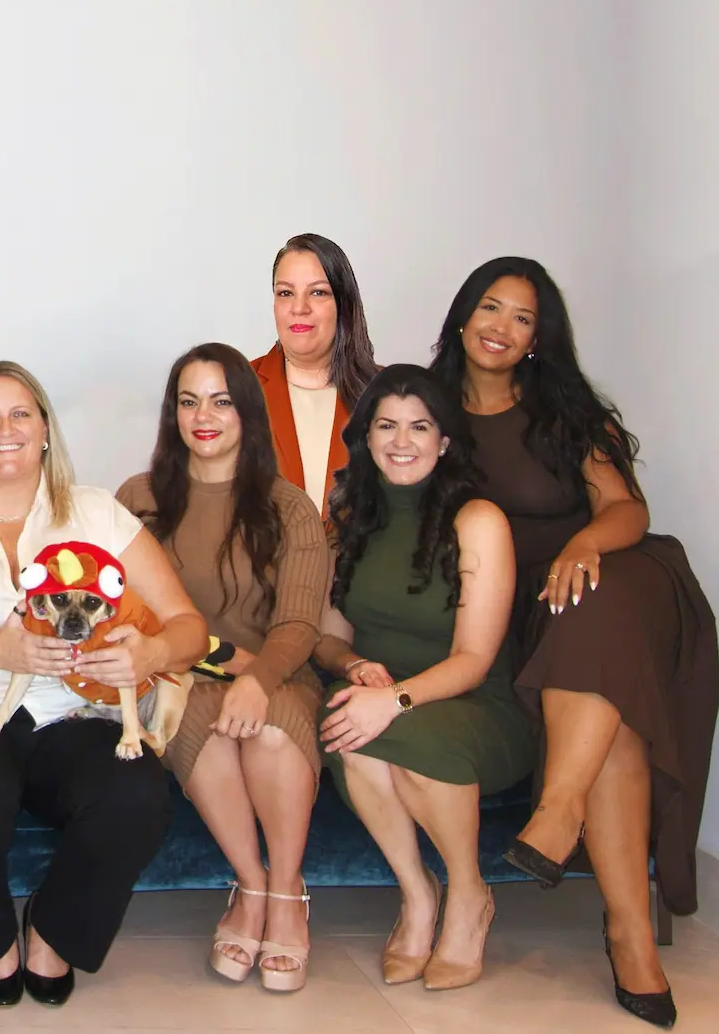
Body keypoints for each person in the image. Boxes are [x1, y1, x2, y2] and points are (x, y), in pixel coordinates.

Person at [430, 257, 718, 1027]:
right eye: (490, 308)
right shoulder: (428, 416)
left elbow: (627, 509)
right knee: (611, 713)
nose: (501, 326)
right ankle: (629, 935)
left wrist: (583, 545)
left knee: (593, 606)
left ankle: (557, 815)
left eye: (522, 317)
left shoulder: (564, 411)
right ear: (462, 316)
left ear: (537, 338)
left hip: (615, 577)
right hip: (520, 612)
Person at [0, 361, 207, 1008]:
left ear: (45, 429)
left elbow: (189, 625)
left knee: (137, 792)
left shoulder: (97, 511)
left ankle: (55, 930)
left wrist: (153, 650)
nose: (5, 428)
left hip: (75, 712)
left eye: (21, 412)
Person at [117, 343, 330, 993]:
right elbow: (127, 608)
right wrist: (218, 659)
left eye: (220, 399)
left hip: (280, 671)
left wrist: (258, 679)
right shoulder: (139, 498)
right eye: (188, 400)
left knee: (266, 728)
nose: (202, 415)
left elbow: (298, 626)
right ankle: (254, 885)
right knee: (205, 725)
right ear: (172, 413)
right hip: (179, 677)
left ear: (247, 412)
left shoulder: (289, 506)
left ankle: (288, 890)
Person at [314, 364, 533, 992]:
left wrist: (395, 698)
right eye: (386, 425)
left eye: (419, 426)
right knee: (351, 724)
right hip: (382, 691)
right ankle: (418, 893)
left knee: (397, 739)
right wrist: (354, 668)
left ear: (444, 441)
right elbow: (329, 638)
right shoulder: (351, 519)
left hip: (475, 704)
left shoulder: (478, 520)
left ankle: (469, 894)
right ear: (366, 438)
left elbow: (474, 660)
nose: (401, 441)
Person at [251, 234, 377, 516]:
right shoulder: (235, 387)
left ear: (343, 304)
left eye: (318, 292)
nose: (299, 308)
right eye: (285, 293)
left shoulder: (386, 393)